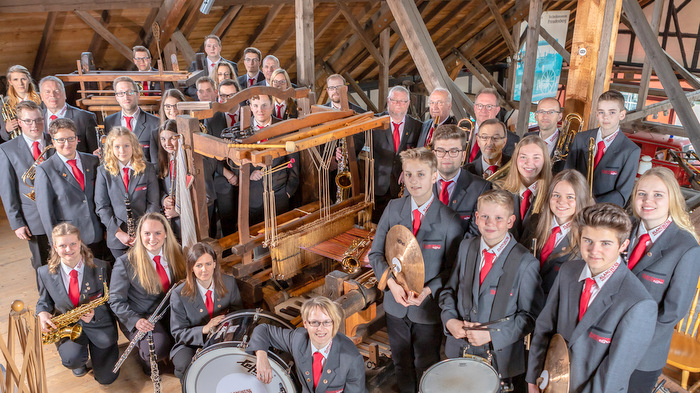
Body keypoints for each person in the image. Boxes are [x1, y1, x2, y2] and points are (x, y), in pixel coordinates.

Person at [526, 203, 657, 393]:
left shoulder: (639, 304)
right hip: (550, 383)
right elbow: (545, 326)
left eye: (605, 243)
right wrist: (533, 378)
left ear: (623, 245)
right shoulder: (568, 272)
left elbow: (613, 374)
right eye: (588, 240)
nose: (594, 250)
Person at [368, 148, 464, 393]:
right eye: (408, 174)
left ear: (434, 176)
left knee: (426, 365)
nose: (414, 181)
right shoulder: (392, 208)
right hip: (395, 307)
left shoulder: (450, 220)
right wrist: (390, 283)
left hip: (427, 310)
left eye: (421, 174)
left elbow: (454, 270)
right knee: (400, 364)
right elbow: (375, 254)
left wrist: (429, 291)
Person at [439, 189, 543, 391]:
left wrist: (492, 336)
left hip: (500, 361)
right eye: (484, 216)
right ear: (476, 218)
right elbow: (449, 291)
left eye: (498, 218)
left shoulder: (526, 263)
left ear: (510, 221)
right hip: (459, 351)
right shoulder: (466, 247)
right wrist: (449, 319)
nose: (490, 223)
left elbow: (530, 317)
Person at [626, 167, 700, 392]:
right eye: (642, 193)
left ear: (673, 199)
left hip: (643, 353)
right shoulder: (622, 228)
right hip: (601, 339)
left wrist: (625, 335)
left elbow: (672, 313)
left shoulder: (686, 247)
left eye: (658, 194)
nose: (648, 200)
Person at [36, 223, 119, 384]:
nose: (69, 249)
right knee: (72, 359)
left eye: (73, 243)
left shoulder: (102, 267)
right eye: (63, 245)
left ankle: (100, 356)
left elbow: (113, 302)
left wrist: (96, 314)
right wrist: (42, 313)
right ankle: (78, 359)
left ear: (80, 242)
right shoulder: (44, 273)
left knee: (107, 378)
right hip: (69, 329)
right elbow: (43, 301)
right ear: (55, 247)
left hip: (99, 325)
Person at [109, 212, 186, 374]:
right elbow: (116, 300)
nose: (152, 238)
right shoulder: (125, 263)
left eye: (158, 233)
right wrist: (136, 321)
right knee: (158, 347)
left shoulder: (176, 252)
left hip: (170, 312)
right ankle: (146, 358)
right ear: (139, 235)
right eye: (147, 233)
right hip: (143, 317)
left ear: (166, 234)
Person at [249, 296, 367, 393]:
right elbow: (263, 330)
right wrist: (262, 357)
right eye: (315, 322)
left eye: (327, 322)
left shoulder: (351, 358)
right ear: (305, 323)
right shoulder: (298, 339)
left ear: (334, 323)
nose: (321, 329)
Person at [170, 242, 242, 380]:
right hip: (191, 343)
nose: (204, 269)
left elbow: (238, 315)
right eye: (199, 265)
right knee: (185, 365)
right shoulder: (179, 294)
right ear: (191, 268)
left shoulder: (229, 283)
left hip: (223, 338)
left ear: (215, 264)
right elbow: (178, 333)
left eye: (208, 264)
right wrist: (205, 329)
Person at [0, 100, 54, 284]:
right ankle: (47, 307)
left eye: (38, 120)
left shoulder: (56, 141)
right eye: (28, 121)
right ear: (19, 122)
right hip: (33, 217)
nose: (34, 125)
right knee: (42, 263)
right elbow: (7, 189)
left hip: (62, 213)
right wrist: (16, 222)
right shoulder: (7, 149)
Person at [35, 118, 104, 257]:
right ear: (53, 141)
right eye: (61, 140)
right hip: (69, 240)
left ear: (77, 139)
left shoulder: (93, 161)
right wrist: (54, 244)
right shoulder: (45, 170)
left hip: (99, 234)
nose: (67, 144)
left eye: (71, 138)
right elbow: (46, 212)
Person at [564, 89, 640, 206]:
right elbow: (567, 174)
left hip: (603, 212)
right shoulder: (580, 138)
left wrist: (595, 203)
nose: (606, 117)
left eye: (612, 112)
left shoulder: (630, 150)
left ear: (622, 115)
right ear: (596, 114)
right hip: (573, 205)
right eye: (601, 112)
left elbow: (622, 194)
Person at [524, 170, 593, 296]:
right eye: (556, 195)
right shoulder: (534, 221)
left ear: (581, 200)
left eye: (570, 197)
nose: (561, 201)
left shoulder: (587, 238)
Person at [95, 127, 160, 259]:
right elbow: (102, 207)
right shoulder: (103, 171)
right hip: (117, 238)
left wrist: (144, 232)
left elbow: (153, 203)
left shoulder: (147, 169)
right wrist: (118, 232)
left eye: (126, 145)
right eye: (117, 146)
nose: (122, 151)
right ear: (111, 149)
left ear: (133, 146)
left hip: (145, 237)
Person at [238, 94, 299, 225]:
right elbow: (234, 160)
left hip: (279, 194)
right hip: (252, 195)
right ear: (250, 108)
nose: (260, 110)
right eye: (255, 106)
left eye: (264, 105)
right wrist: (249, 174)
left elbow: (294, 161)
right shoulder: (240, 129)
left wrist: (288, 191)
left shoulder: (284, 128)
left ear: (272, 106)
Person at [371, 85, 421, 221]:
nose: (399, 104)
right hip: (378, 187)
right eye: (394, 100)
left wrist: (409, 169)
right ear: (388, 101)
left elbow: (420, 154)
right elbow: (357, 143)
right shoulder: (374, 123)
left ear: (408, 104)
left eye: (403, 101)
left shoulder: (417, 126)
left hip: (403, 190)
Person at [431, 124, 491, 236]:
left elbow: (474, 235)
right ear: (433, 154)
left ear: (463, 155)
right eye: (440, 151)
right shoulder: (417, 182)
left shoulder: (480, 188)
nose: (446, 156)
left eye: (454, 151)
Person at [496, 135, 552, 240]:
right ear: (515, 159)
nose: (529, 163)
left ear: (545, 160)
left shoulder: (553, 193)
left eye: (536, 157)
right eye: (523, 157)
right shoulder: (498, 188)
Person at [103, 76, 160, 163]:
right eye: (121, 93)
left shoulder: (155, 123)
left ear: (138, 95)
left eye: (130, 92)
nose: (126, 97)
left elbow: (156, 161)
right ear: (117, 98)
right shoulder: (109, 122)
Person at [39, 76, 99, 154]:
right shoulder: (37, 118)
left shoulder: (84, 118)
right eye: (47, 92)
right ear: (41, 96)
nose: (52, 95)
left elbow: (94, 153)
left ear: (64, 94)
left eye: (56, 91)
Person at [467, 88, 519, 161]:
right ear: (475, 108)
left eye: (489, 106)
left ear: (497, 110)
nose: (483, 110)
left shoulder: (512, 140)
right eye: (480, 106)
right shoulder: (462, 130)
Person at [1, 65, 42, 141]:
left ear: (29, 79)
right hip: (18, 146)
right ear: (10, 82)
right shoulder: (5, 103)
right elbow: (3, 136)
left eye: (23, 79)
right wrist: (7, 129)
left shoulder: (41, 99)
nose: (20, 83)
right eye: (15, 79)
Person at [528, 97, 564, 173]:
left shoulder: (569, 144)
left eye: (551, 112)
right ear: (536, 116)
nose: (545, 116)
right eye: (541, 111)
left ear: (559, 117)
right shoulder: (527, 138)